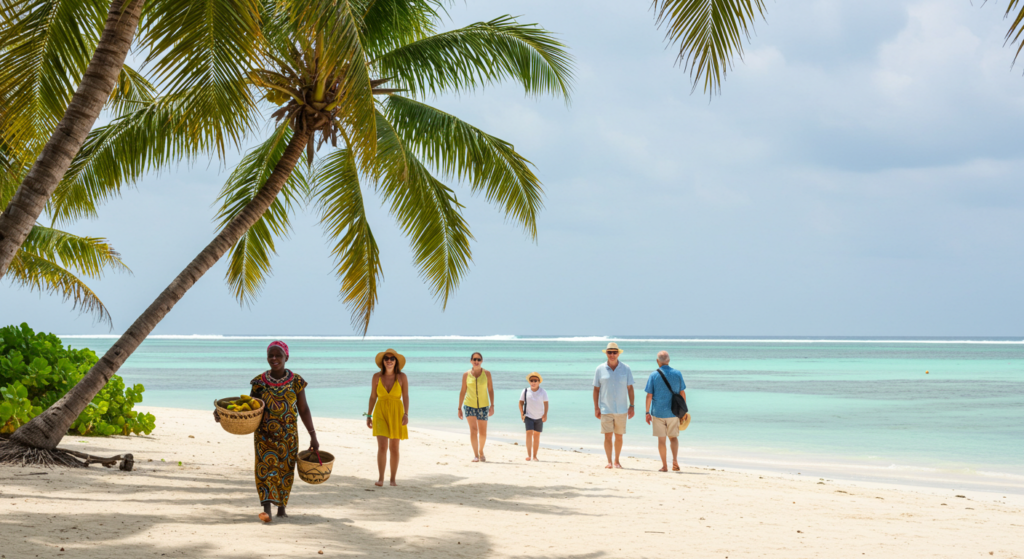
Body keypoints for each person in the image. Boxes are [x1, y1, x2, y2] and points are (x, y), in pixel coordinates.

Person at [214, 340, 319, 523]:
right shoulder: (258, 382)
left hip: (289, 435)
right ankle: (267, 509)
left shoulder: (296, 381)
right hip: (264, 436)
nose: (274, 358)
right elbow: (249, 408)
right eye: (271, 355)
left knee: (285, 471)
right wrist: (223, 414)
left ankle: (282, 508)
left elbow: (304, 409)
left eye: (278, 355)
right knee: (265, 470)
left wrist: (313, 436)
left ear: (287, 357)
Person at [366, 348, 409, 487]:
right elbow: (373, 396)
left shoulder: (402, 377)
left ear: (396, 361)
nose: (389, 361)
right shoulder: (376, 377)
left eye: (392, 358)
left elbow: (406, 396)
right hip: (380, 413)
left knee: (394, 448)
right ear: (383, 362)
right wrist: (368, 415)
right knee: (382, 446)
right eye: (387, 358)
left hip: (397, 413)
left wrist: (406, 414)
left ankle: (393, 480)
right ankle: (381, 478)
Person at [593, 342, 635, 469]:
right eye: (609, 352)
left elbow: (630, 388)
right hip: (606, 408)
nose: (612, 355)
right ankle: (609, 462)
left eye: (614, 352)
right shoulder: (599, 369)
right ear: (606, 353)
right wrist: (596, 407)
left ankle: (617, 461)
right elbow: (596, 390)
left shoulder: (626, 368)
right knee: (607, 436)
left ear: (618, 353)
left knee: (619, 436)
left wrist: (632, 406)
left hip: (622, 409)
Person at [645, 350, 688, 472]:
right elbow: (682, 392)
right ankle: (675, 461)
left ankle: (664, 466)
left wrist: (647, 412)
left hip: (658, 413)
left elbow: (649, 395)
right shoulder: (677, 373)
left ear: (657, 361)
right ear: (669, 361)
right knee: (673, 438)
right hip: (673, 413)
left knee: (661, 440)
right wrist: (683, 411)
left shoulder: (653, 375)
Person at [457, 352, 494, 462]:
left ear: (481, 361)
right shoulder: (466, 375)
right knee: (473, 430)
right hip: (469, 405)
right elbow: (463, 391)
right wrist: (459, 408)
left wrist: (492, 405)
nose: (476, 361)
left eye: (478, 359)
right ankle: (476, 455)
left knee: (483, 432)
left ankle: (481, 451)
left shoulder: (487, 374)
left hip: (483, 406)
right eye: (474, 359)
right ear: (471, 361)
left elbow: (490, 390)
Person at [519, 372, 549, 461]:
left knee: (536, 436)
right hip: (528, 416)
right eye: (531, 380)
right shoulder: (525, 391)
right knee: (529, 433)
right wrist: (521, 413)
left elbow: (546, 404)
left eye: (535, 380)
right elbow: (520, 402)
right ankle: (529, 455)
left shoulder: (543, 392)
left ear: (539, 382)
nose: (533, 382)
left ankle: (535, 456)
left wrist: (545, 414)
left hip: (539, 417)